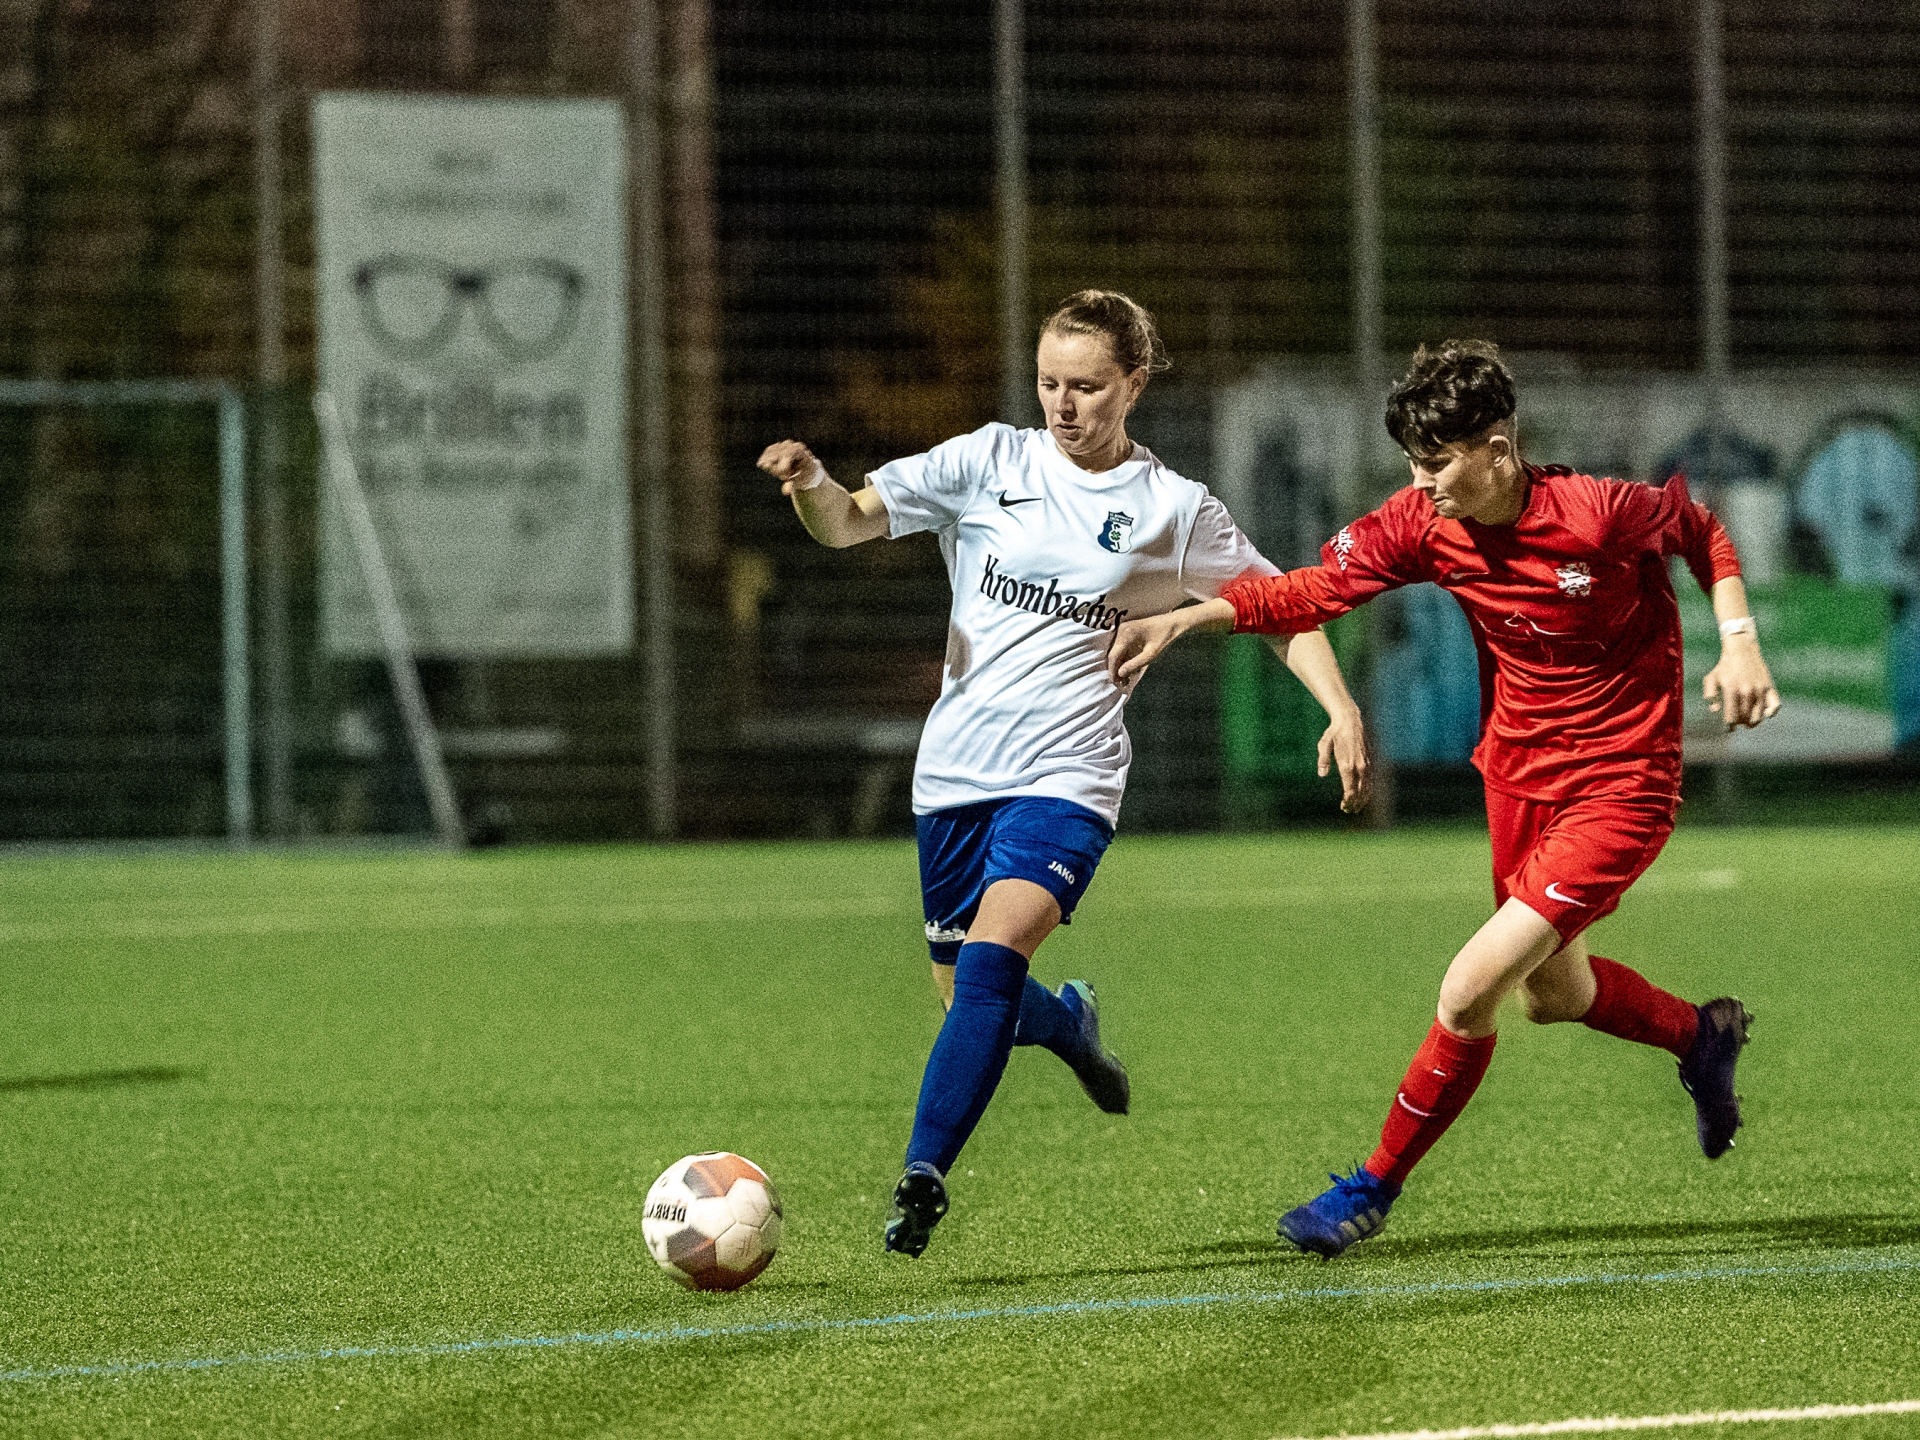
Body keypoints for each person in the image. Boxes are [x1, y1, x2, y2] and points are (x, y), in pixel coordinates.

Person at [1108, 339, 1781, 1258]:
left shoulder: (1595, 513)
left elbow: (1701, 531)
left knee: (1467, 993)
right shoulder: (1423, 523)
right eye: (1412, 463)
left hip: (1621, 785)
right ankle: (1700, 1038)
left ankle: (1370, 1189)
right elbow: (1316, 589)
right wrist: (1196, 614)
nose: (1420, 482)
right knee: (1555, 994)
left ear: (1497, 449)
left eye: (1436, 462)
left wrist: (1738, 643)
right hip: (1518, 779)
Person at [757, 290, 1372, 1257]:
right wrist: (810, 484)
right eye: (1049, 382)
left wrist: (1339, 706)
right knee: (968, 996)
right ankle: (1068, 1027)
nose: (1062, 404)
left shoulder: (1172, 509)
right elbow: (846, 523)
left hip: (1070, 776)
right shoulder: (987, 462)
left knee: (993, 959)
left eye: (1086, 385)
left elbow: (1282, 607)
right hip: (954, 776)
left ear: (1134, 384)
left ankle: (923, 1172)